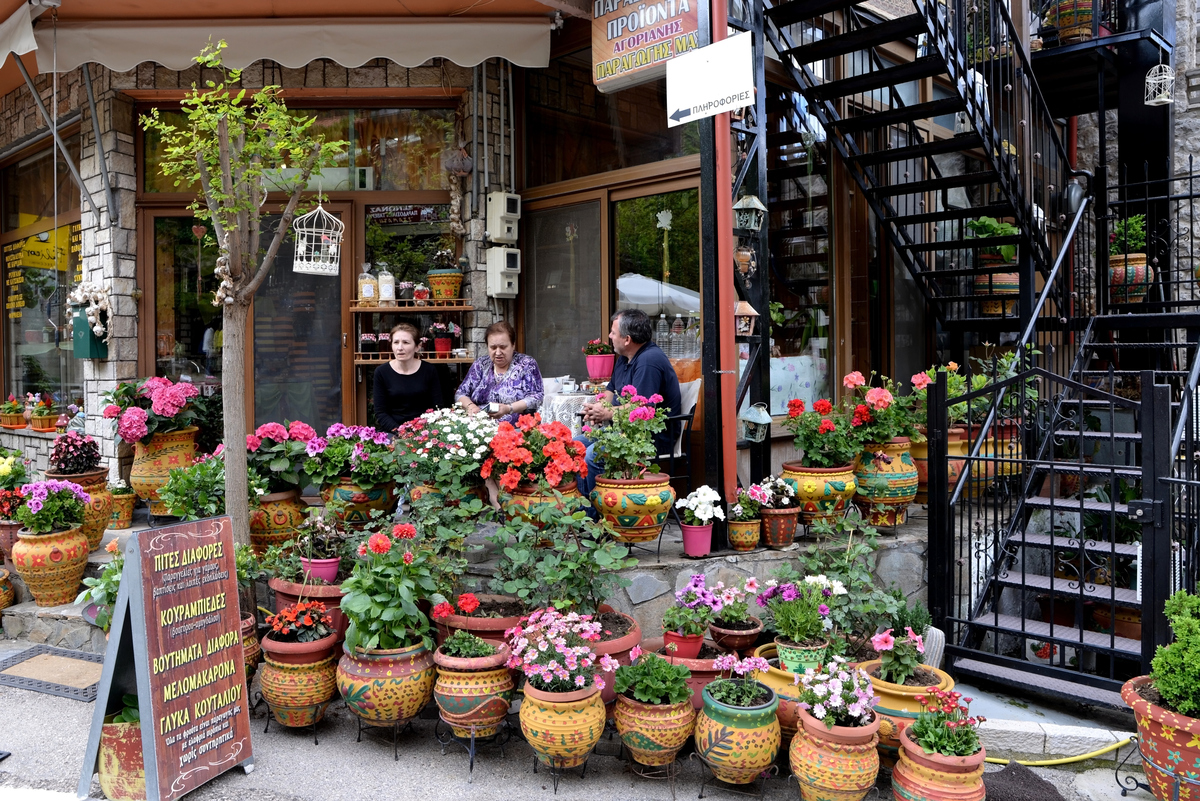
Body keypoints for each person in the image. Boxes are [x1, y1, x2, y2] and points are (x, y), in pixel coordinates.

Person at [578, 308, 682, 498]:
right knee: (575, 446)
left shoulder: (648, 361)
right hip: (623, 431)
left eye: (613, 332)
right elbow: (610, 391)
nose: (609, 336)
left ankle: (595, 517)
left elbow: (641, 408)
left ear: (627, 339)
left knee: (592, 455)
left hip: (650, 438)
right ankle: (581, 508)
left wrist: (607, 414)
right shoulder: (625, 358)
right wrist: (598, 408)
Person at [455, 321, 544, 424]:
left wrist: (508, 408)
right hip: (479, 427)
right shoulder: (481, 364)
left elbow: (537, 397)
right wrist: (471, 407)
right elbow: (460, 393)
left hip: (515, 429)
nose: (498, 353)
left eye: (503, 347)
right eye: (493, 347)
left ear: (513, 345)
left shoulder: (527, 364)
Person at [373, 322, 444, 432]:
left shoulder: (429, 370)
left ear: (417, 346)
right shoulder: (382, 372)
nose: (400, 348)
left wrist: (422, 431)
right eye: (396, 342)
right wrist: (400, 432)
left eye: (406, 343)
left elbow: (437, 407)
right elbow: (381, 412)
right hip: (392, 432)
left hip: (424, 431)